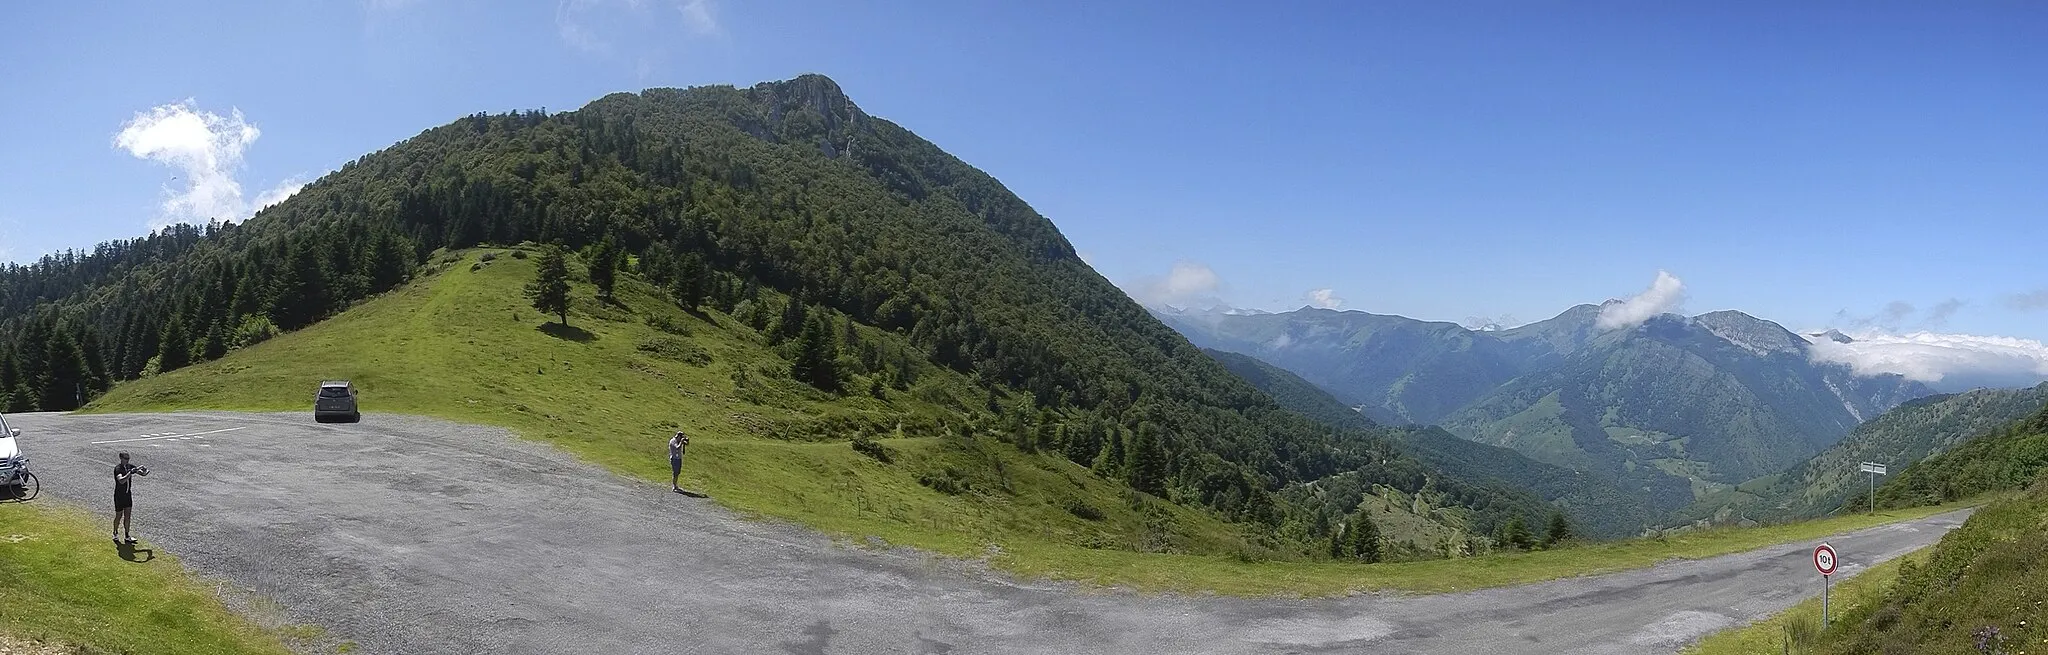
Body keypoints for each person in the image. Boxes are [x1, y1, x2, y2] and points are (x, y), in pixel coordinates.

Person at [112, 452, 148, 544]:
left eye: (128, 458)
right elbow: (121, 481)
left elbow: (142, 473)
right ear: (121, 458)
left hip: (127, 495)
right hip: (119, 496)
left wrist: (144, 470)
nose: (127, 460)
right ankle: (115, 532)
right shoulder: (118, 468)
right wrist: (130, 473)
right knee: (119, 516)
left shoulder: (129, 466)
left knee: (127, 516)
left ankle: (127, 535)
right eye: (125, 458)